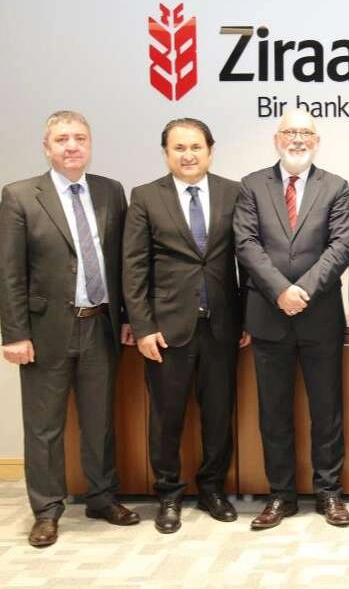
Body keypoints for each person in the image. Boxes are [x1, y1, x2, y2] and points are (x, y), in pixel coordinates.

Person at [0, 110, 138, 547]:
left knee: (100, 420)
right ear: (47, 148)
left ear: (90, 145)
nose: (72, 146)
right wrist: (14, 333)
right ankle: (47, 510)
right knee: (44, 426)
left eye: (79, 138)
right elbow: (9, 271)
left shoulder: (110, 191)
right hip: (45, 331)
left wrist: (129, 317)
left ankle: (101, 497)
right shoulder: (21, 195)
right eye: (62, 139)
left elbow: (124, 263)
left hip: (100, 325)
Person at [123, 118, 249, 533]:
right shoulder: (145, 196)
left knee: (219, 415)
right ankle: (169, 494)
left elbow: (247, 260)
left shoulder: (234, 192)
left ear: (210, 151)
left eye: (196, 147)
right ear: (166, 154)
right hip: (166, 328)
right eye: (179, 148)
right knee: (166, 417)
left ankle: (212, 489)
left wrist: (247, 316)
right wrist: (142, 326)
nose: (188, 155)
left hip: (222, 326)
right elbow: (134, 267)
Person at [233, 109, 349, 530]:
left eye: (306, 133)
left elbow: (342, 246)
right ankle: (280, 496)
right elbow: (246, 244)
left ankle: (329, 493)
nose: (297, 139)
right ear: (276, 138)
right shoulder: (252, 185)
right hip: (268, 316)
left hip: (319, 316)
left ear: (316, 141)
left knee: (327, 410)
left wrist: (301, 291)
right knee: (274, 413)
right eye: (290, 132)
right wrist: (280, 291)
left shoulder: (336, 186)